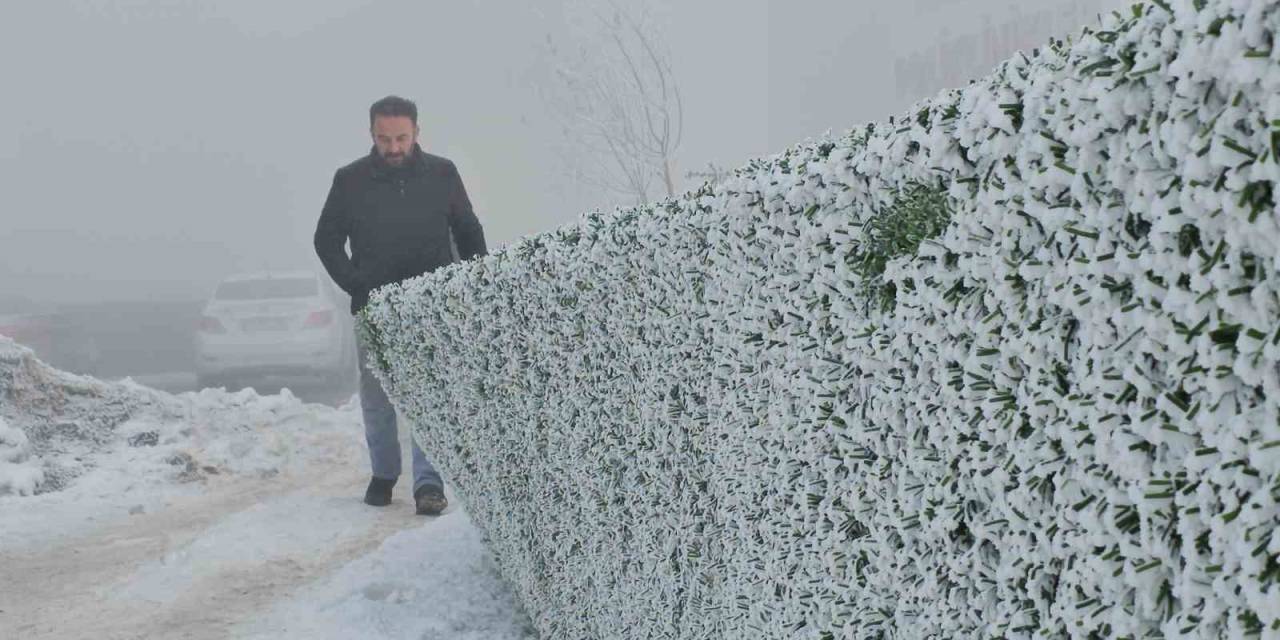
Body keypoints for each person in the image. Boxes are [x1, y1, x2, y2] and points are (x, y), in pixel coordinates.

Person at [314, 95, 487, 516]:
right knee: (377, 397)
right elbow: (327, 240)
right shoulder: (349, 180)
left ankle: (429, 484)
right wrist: (357, 284)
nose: (393, 147)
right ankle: (384, 474)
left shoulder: (443, 174)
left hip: (431, 305)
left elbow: (468, 230)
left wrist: (474, 284)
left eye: (401, 138)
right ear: (371, 134)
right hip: (374, 309)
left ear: (416, 133)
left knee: (429, 396)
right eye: (384, 139)